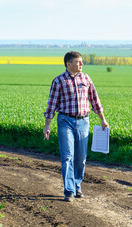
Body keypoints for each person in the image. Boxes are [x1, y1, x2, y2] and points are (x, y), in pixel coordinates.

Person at [43, 51, 109, 202]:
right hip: (65, 121)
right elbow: (51, 104)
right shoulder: (59, 81)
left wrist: (103, 120)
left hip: (83, 121)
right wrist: (47, 125)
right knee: (67, 156)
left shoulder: (86, 78)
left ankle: (77, 184)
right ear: (68, 64)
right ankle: (69, 191)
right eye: (78, 62)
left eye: (81, 62)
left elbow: (95, 100)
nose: (81, 64)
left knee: (81, 158)